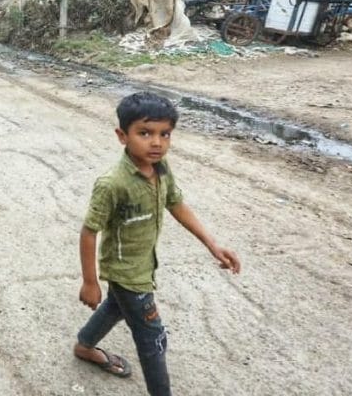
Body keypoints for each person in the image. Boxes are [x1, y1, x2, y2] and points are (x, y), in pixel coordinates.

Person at [75, 92, 240, 396]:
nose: (157, 143)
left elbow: (175, 203)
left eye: (165, 134)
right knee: (153, 340)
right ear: (122, 136)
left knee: (116, 307)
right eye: (145, 133)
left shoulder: (161, 169)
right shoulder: (113, 183)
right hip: (128, 274)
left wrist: (212, 245)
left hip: (143, 266)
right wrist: (90, 282)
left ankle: (84, 345)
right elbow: (89, 231)